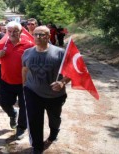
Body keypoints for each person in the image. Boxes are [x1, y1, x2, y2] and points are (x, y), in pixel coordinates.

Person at [22, 26, 71, 154]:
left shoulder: (60, 53)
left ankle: (54, 133)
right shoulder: (27, 53)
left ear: (48, 36)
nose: (38, 37)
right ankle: (37, 147)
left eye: (42, 35)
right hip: (32, 92)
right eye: (36, 34)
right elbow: (24, 69)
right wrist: (24, 85)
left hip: (55, 95)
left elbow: (70, 73)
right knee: (34, 120)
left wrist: (62, 82)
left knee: (54, 119)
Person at [0, 21, 34, 140]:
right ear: (6, 32)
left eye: (15, 31)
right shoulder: (1, 45)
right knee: (4, 103)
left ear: (20, 32)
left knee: (24, 106)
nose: (12, 33)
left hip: (24, 82)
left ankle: (21, 128)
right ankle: (12, 114)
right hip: (6, 81)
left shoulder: (29, 45)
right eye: (9, 31)